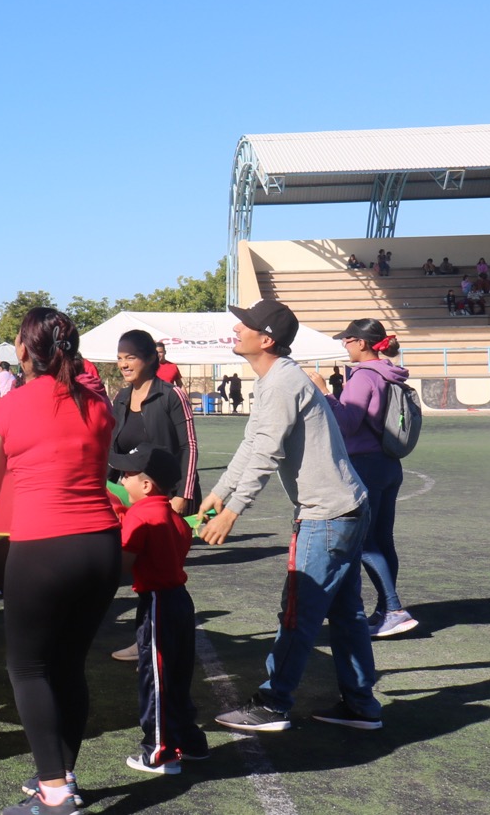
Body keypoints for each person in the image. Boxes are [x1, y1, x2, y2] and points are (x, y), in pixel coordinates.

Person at [0, 307, 119, 815]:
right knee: (69, 666)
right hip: (101, 548)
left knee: (27, 667)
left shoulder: (8, 410)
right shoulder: (98, 406)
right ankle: (61, 775)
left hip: (44, 550)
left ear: (24, 349)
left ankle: (56, 792)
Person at [199, 300, 383, 733]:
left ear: (266, 339)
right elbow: (251, 445)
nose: (236, 329)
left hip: (327, 517)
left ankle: (273, 703)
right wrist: (219, 493)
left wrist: (233, 511)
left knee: (298, 614)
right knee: (345, 614)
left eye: (244, 324)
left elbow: (266, 453)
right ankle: (361, 705)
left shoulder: (282, 382)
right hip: (346, 508)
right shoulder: (274, 380)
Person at [315, 319, 418, 639]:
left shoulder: (363, 377)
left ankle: (394, 609)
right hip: (389, 464)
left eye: (347, 340)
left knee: (364, 541)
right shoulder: (389, 373)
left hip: (366, 464)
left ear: (361, 343)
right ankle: (385, 610)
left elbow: (346, 423)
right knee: (382, 539)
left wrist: (324, 392)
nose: (344, 345)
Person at [111, 444, 205, 775]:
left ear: (147, 485)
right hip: (179, 599)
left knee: (156, 678)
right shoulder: (172, 516)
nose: (121, 479)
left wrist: (114, 531)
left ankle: (159, 751)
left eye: (128, 474)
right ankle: (189, 740)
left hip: (157, 603)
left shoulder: (141, 515)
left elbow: (124, 563)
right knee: (177, 675)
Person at [109, 332, 200, 514]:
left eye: (130, 358)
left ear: (151, 358)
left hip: (169, 498)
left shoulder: (172, 395)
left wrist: (183, 495)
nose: (123, 364)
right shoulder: (121, 398)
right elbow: (112, 449)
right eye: (119, 359)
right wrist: (105, 488)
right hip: (133, 498)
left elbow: (188, 446)